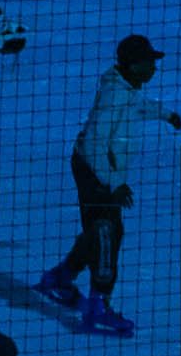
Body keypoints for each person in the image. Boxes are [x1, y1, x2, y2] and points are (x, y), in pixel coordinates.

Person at [40, 35, 171, 338]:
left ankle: (62, 276)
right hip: (95, 172)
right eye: (150, 62)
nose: (154, 68)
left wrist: (166, 115)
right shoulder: (115, 95)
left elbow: (139, 107)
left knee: (102, 231)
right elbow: (93, 143)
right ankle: (98, 304)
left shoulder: (127, 88)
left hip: (98, 170)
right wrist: (113, 184)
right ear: (134, 65)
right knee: (107, 234)